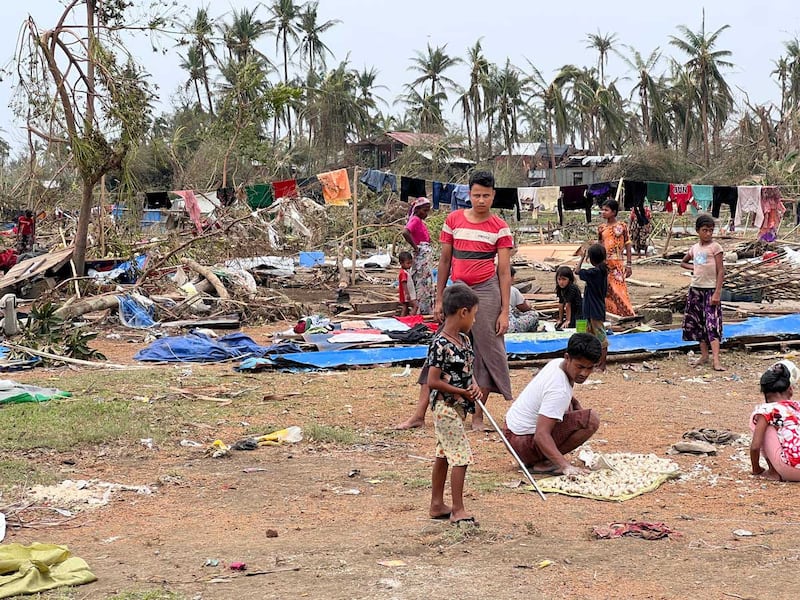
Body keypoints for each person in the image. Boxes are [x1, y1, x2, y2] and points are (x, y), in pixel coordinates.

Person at [435, 170, 514, 431]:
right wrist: (438, 300)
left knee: (489, 349)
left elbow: (503, 270)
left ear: (493, 196)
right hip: (457, 289)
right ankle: (422, 411)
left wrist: (505, 310)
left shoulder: (500, 227)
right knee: (443, 345)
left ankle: (479, 414)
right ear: (469, 194)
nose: (481, 200)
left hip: (486, 290)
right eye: (477, 195)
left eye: (486, 196)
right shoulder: (453, 220)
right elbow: (445, 261)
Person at [503, 332, 602, 475]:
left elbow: (565, 397)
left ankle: (545, 459)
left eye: (590, 368)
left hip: (512, 432)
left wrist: (576, 407)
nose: (584, 373)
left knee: (572, 409)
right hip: (522, 443)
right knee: (591, 420)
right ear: (568, 358)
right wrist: (565, 466)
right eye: (580, 367)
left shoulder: (557, 364)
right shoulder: (558, 390)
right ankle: (545, 463)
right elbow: (541, 435)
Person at [427, 283, 483, 525]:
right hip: (445, 408)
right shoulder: (441, 344)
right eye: (474, 315)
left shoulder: (464, 340)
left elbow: (469, 371)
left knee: (444, 453)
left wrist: (475, 386)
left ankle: (437, 504)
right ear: (463, 312)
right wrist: (460, 391)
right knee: (461, 456)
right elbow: (433, 380)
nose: (474, 320)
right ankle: (458, 509)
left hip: (459, 409)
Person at [681, 213, 725, 371]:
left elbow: (721, 271)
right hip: (696, 289)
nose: (708, 233)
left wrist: (717, 293)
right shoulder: (694, 248)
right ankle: (704, 355)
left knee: (712, 324)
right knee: (698, 324)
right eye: (705, 230)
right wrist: (695, 268)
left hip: (710, 290)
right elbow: (683, 263)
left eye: (711, 231)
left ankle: (716, 360)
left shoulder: (715, 247)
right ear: (697, 231)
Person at [750, 362, 800, 482]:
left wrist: (756, 469)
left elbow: (755, 447)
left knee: (758, 420)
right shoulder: (797, 406)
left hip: (792, 471)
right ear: (790, 389)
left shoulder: (766, 410)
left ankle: (773, 471)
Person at [598, 199, 635, 317]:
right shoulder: (601, 228)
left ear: (614, 212)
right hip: (604, 264)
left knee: (619, 291)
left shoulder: (622, 226)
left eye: (606, 210)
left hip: (617, 264)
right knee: (606, 291)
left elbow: (628, 245)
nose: (603, 212)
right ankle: (611, 315)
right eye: (602, 209)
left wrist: (629, 264)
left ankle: (627, 314)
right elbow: (599, 246)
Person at [576, 243, 609, 371]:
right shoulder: (601, 271)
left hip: (593, 309)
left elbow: (577, 271)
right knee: (592, 334)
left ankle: (602, 363)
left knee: (600, 336)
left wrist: (581, 258)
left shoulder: (595, 272)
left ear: (591, 258)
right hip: (593, 308)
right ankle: (597, 362)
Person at [402, 197, 434, 314]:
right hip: (421, 256)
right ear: (417, 209)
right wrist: (416, 248)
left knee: (424, 282)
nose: (426, 213)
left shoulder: (419, 221)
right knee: (422, 282)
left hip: (424, 256)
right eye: (424, 210)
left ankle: (424, 308)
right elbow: (405, 232)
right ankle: (422, 309)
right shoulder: (415, 219)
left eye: (427, 211)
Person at [508, 266, 539, 333]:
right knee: (534, 315)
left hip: (492, 326)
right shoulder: (512, 290)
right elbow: (525, 308)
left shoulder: (490, 290)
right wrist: (529, 304)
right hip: (509, 327)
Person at [554, 265, 582, 330]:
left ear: (569, 279)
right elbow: (561, 304)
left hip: (578, 311)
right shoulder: (560, 288)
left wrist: (568, 320)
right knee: (559, 326)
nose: (561, 282)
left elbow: (567, 305)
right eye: (559, 279)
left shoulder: (572, 288)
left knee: (571, 326)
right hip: (571, 312)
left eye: (564, 279)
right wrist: (560, 319)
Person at [397, 251, 418, 316]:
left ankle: (403, 319)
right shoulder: (403, 273)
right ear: (401, 263)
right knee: (415, 306)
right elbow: (404, 283)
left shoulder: (405, 272)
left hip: (405, 294)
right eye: (408, 263)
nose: (410, 265)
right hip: (407, 294)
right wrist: (407, 293)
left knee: (405, 307)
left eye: (411, 263)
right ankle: (410, 317)